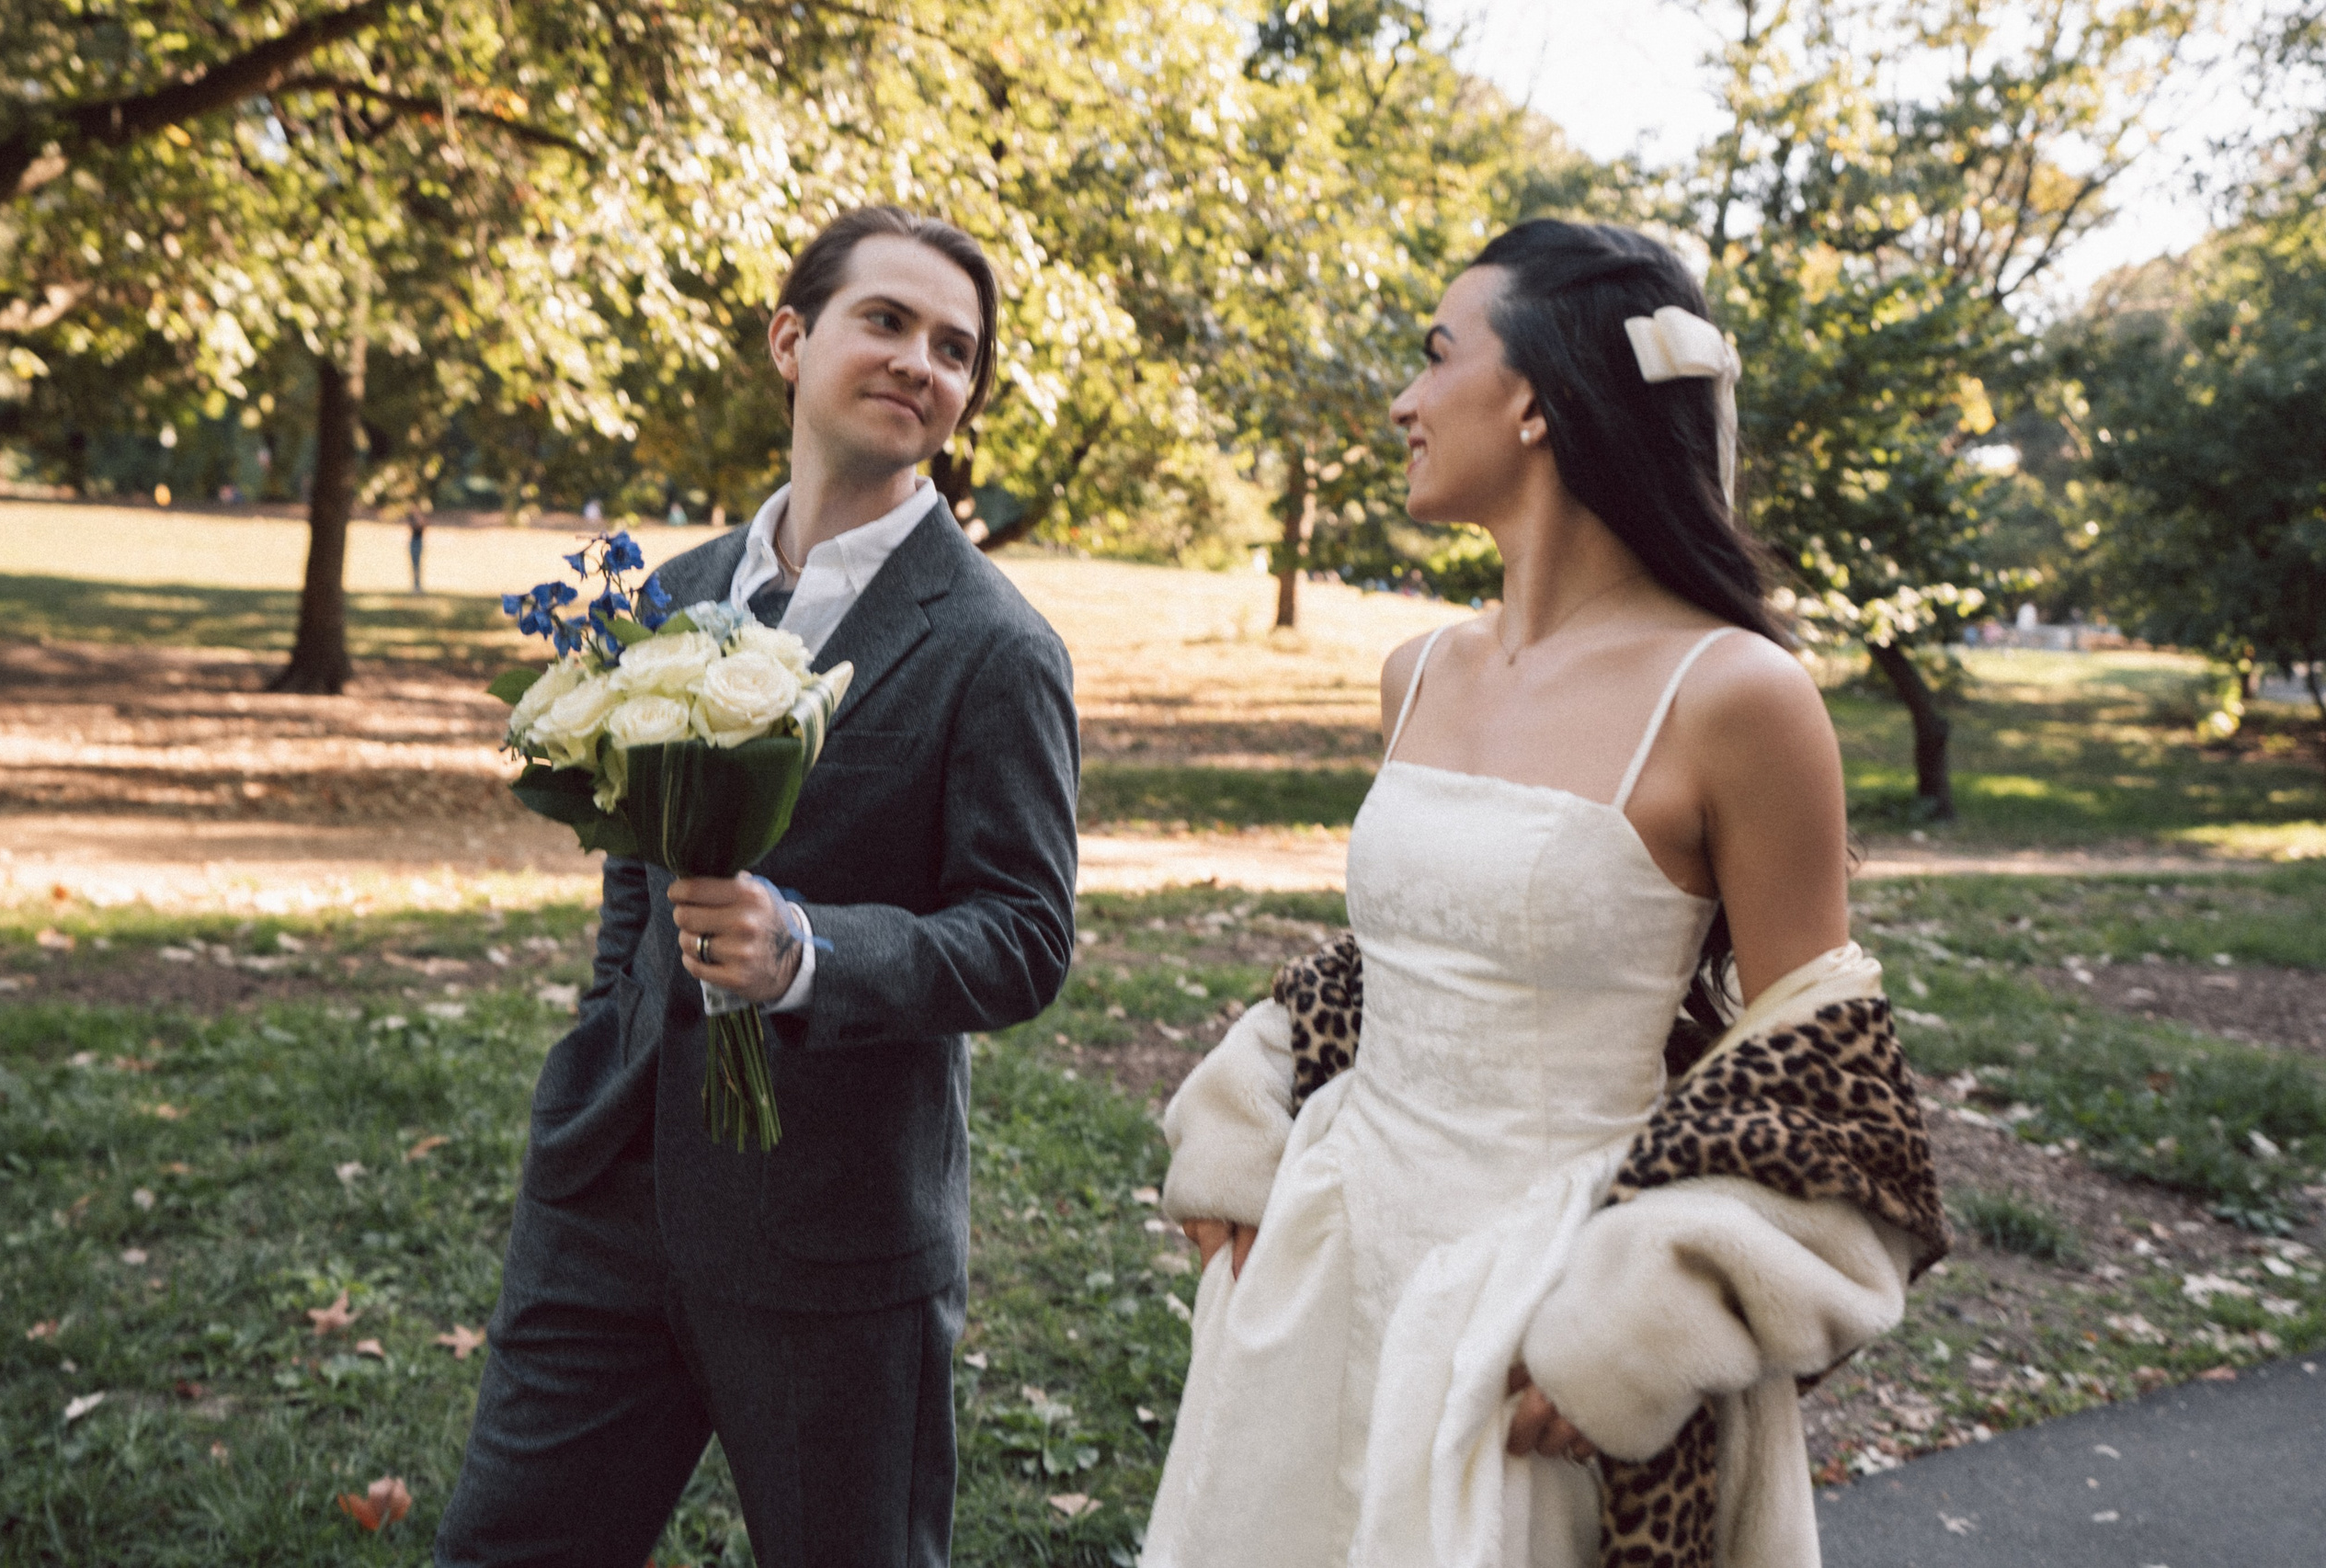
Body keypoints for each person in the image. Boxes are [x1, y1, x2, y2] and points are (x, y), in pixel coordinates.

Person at [1147, 221, 1931, 1566]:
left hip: (1541, 1310)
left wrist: (1644, 1321)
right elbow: (1412, 948)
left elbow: (1821, 1072)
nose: (1401, 399)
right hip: (1325, 1265)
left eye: (1434, 355)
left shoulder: (1740, 696)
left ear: (1531, 401)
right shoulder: (1417, 671)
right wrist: (1248, 1103)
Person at [437, 206, 1081, 1568]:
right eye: (888, 322)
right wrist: (608, 1034)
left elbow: (1025, 937)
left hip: (835, 1229)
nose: (923, 362)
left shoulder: (995, 645)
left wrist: (808, 951)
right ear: (791, 339)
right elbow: (633, 865)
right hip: (610, 1192)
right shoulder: (668, 595)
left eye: (956, 349)